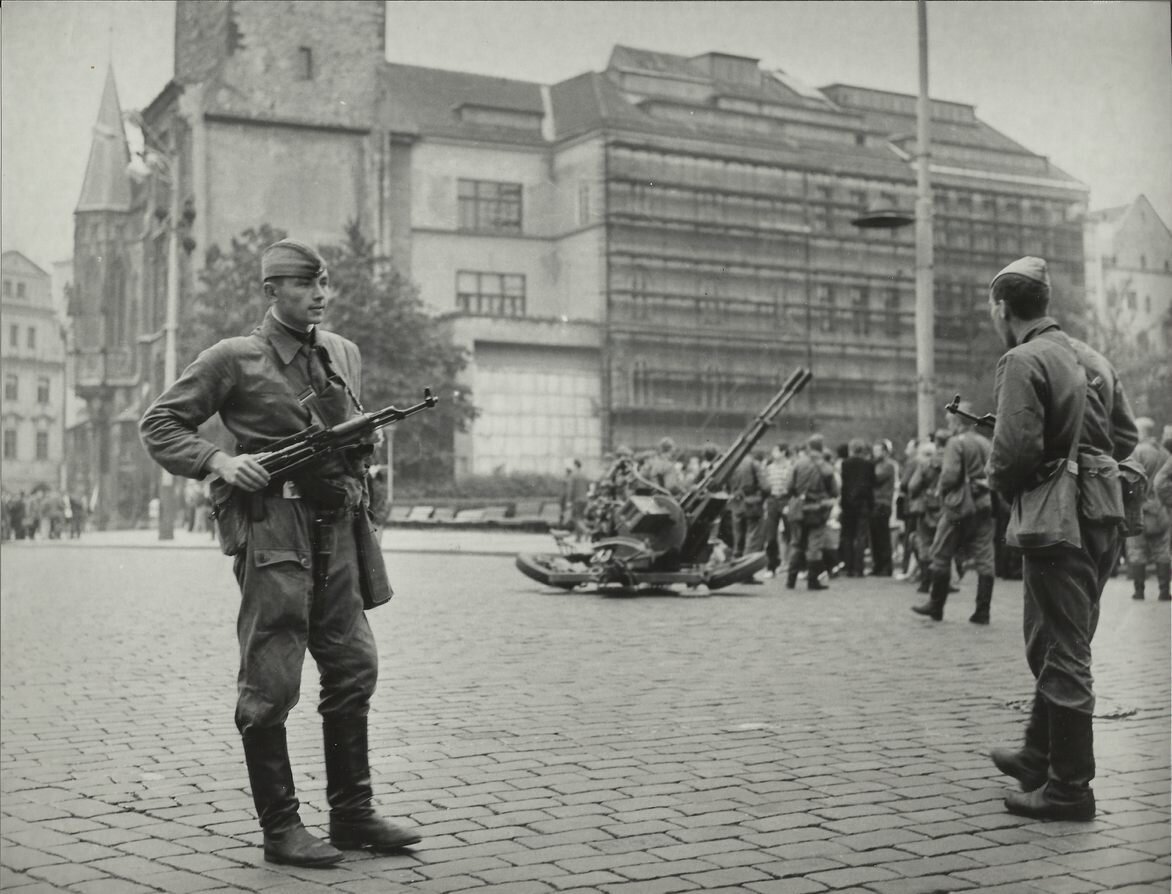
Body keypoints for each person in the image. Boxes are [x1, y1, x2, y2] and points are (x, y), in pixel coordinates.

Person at [139, 239, 419, 866]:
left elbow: (356, 438)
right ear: (270, 291)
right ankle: (282, 828)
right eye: (303, 284)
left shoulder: (342, 352)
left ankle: (352, 815)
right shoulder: (233, 358)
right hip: (275, 532)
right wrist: (217, 459)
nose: (319, 294)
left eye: (324, 283)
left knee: (353, 667)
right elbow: (160, 423)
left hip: (340, 529)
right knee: (272, 677)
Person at [983, 256, 1138, 822]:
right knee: (1059, 638)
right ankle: (1039, 752)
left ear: (1003, 309)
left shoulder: (1022, 358)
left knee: (1060, 647)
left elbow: (1014, 454)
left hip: (1058, 520)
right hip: (1104, 514)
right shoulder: (1092, 357)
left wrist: (1009, 482)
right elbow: (1126, 436)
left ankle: (1069, 788)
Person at [912, 403, 995, 622]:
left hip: (959, 506)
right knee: (985, 556)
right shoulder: (985, 443)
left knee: (940, 552)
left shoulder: (954, 443)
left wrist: (944, 492)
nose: (949, 424)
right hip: (983, 503)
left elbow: (949, 475)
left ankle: (936, 605)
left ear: (958, 422)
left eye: (951, 421)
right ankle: (982, 611)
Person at [1123, 417, 1171, 600]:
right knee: (1162, 550)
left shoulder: (1136, 452)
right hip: (1161, 510)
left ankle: (1139, 591)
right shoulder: (1165, 453)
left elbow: (1129, 479)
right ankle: (1164, 591)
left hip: (1140, 509)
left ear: (1140, 432)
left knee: (1136, 550)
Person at [784, 433, 838, 590]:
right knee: (814, 546)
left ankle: (790, 580)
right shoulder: (826, 467)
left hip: (798, 509)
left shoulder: (798, 464)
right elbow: (835, 491)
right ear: (821, 448)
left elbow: (789, 487)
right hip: (817, 510)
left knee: (797, 544)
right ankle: (812, 581)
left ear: (808, 447)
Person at [838, 439, 874, 577]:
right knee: (861, 536)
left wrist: (843, 502)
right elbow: (871, 485)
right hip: (863, 503)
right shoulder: (868, 465)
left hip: (848, 503)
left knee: (848, 536)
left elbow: (844, 485)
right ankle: (859, 568)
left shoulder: (845, 464)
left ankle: (849, 567)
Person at [761, 442, 793, 577]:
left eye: (776, 451)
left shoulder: (790, 466)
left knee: (790, 534)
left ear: (783, 452)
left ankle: (791, 564)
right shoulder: (769, 468)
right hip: (773, 500)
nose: (773, 453)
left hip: (786, 499)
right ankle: (771, 566)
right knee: (771, 535)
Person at [870, 439, 898, 576]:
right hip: (875, 503)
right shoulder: (876, 465)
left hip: (882, 503)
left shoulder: (888, 466)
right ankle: (878, 565)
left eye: (878, 450)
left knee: (882, 537)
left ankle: (886, 566)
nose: (875, 453)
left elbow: (875, 478)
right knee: (875, 537)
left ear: (885, 452)